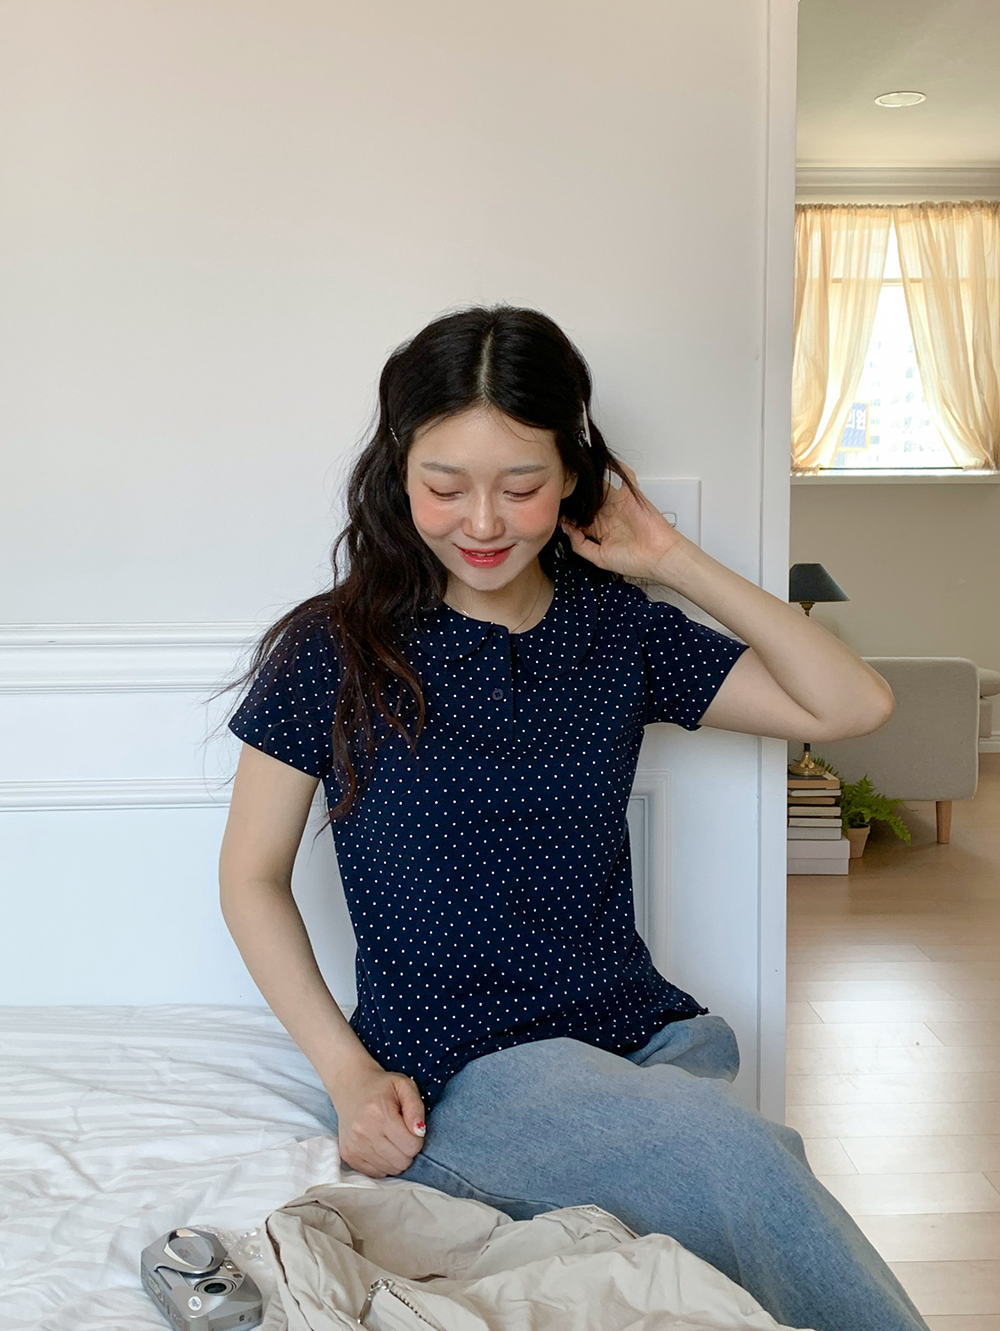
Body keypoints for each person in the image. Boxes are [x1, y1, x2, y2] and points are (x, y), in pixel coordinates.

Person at [218, 306, 927, 1331]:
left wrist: (670, 557)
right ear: (397, 473)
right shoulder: (334, 651)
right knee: (743, 1163)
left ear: (572, 478)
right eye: (445, 486)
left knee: (721, 1204)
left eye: (521, 487)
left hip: (646, 1047)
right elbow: (251, 877)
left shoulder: (617, 631)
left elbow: (852, 705)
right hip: (465, 1070)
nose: (482, 522)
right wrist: (348, 1073)